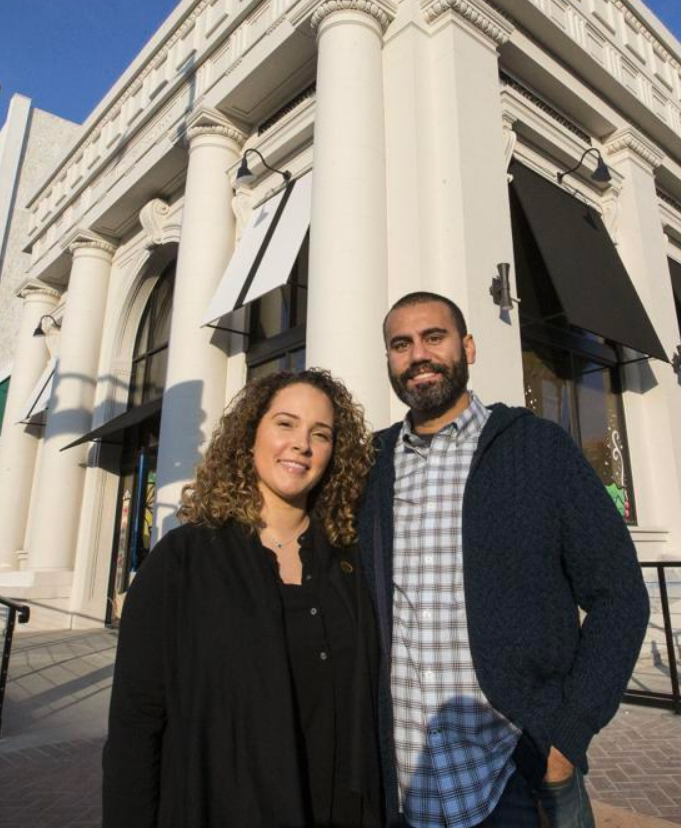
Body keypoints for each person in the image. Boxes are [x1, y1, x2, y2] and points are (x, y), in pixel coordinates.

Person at [360, 291, 651, 828]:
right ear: (389, 361)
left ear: (467, 347)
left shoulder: (538, 449)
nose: (418, 354)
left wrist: (567, 738)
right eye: (401, 344)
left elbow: (620, 595)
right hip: (399, 783)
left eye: (434, 337)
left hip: (514, 777)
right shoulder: (369, 466)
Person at [103, 369, 384, 827]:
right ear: (250, 434)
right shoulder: (182, 561)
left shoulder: (349, 563)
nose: (302, 444)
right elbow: (135, 728)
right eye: (285, 424)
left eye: (321, 434)